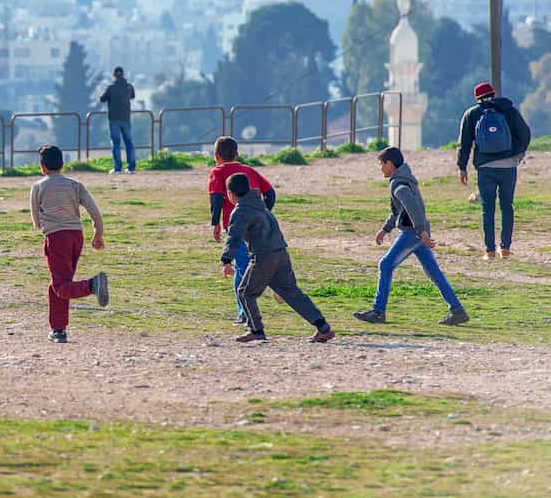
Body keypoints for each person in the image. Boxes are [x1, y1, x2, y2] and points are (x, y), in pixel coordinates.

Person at [355, 147, 470, 326]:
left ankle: (378, 312)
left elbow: (413, 208)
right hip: (417, 232)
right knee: (434, 273)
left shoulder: (398, 184)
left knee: (385, 264)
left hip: (412, 233)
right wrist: (386, 229)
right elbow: (399, 211)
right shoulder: (404, 180)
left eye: (381, 165)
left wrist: (421, 232)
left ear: (390, 164)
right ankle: (458, 311)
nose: (380, 169)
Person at [220, 173, 334, 344]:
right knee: (292, 293)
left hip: (263, 256)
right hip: (281, 253)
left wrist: (226, 260)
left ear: (230, 194)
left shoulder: (241, 210)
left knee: (245, 292)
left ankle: (256, 330)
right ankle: (323, 328)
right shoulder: (260, 204)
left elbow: (234, 237)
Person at [30, 144, 108, 344]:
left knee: (61, 286)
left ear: (42, 167)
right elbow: (95, 211)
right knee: (56, 284)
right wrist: (98, 234)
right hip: (77, 236)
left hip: (56, 238)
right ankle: (58, 329)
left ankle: (93, 285)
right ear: (62, 165)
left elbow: (37, 222)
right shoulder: (75, 185)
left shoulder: (39, 186)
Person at [456, 81, 531, 260]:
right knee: (507, 206)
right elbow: (525, 133)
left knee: (487, 209)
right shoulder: (509, 110)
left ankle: (489, 251)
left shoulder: (472, 114)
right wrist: (518, 154)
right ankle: (505, 248)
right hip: (508, 166)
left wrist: (462, 167)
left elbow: (464, 144)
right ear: (494, 94)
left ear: (477, 98)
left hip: (485, 168)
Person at [208, 137, 276, 324]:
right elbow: (270, 193)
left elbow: (216, 198)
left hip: (236, 225)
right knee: (256, 261)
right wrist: (264, 213)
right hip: (257, 225)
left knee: (242, 267)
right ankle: (274, 286)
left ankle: (244, 311)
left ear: (216, 156)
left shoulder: (218, 171)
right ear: (237, 154)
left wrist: (215, 224)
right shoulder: (249, 170)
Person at [99, 67, 137, 174]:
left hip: (114, 118)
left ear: (114, 75)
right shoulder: (129, 87)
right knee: (129, 143)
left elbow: (102, 99)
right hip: (126, 118)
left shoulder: (111, 88)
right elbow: (133, 96)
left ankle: (117, 168)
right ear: (123, 74)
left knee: (116, 143)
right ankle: (131, 167)